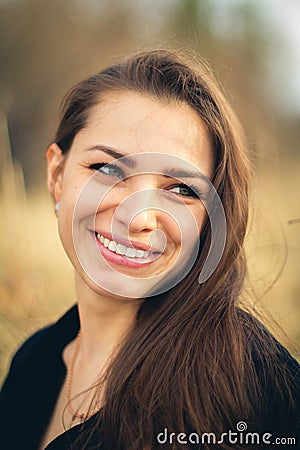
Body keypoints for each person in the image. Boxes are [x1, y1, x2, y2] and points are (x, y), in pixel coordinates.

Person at [0, 49, 299, 450]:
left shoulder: (255, 394)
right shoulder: (31, 364)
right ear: (56, 174)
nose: (138, 217)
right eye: (108, 170)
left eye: (181, 189)